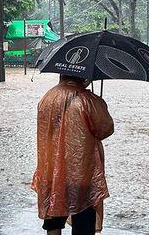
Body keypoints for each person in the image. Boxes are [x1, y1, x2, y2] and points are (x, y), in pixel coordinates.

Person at [32, 75, 114, 235]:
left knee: (53, 219)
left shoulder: (47, 98)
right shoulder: (87, 100)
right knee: (83, 220)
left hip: (51, 171)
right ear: (83, 76)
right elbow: (105, 129)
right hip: (80, 172)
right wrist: (100, 105)